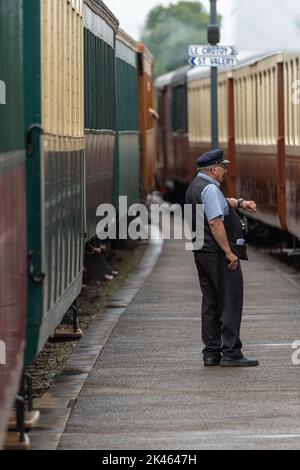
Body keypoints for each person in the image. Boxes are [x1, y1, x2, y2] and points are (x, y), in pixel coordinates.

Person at [185, 149, 259, 367]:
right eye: (223, 167)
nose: (225, 171)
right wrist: (229, 252)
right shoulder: (209, 189)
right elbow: (215, 222)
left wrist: (240, 202)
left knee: (211, 303)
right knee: (230, 301)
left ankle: (211, 352)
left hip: (201, 251)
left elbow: (219, 202)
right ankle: (232, 353)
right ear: (214, 169)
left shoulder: (195, 186)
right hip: (217, 254)